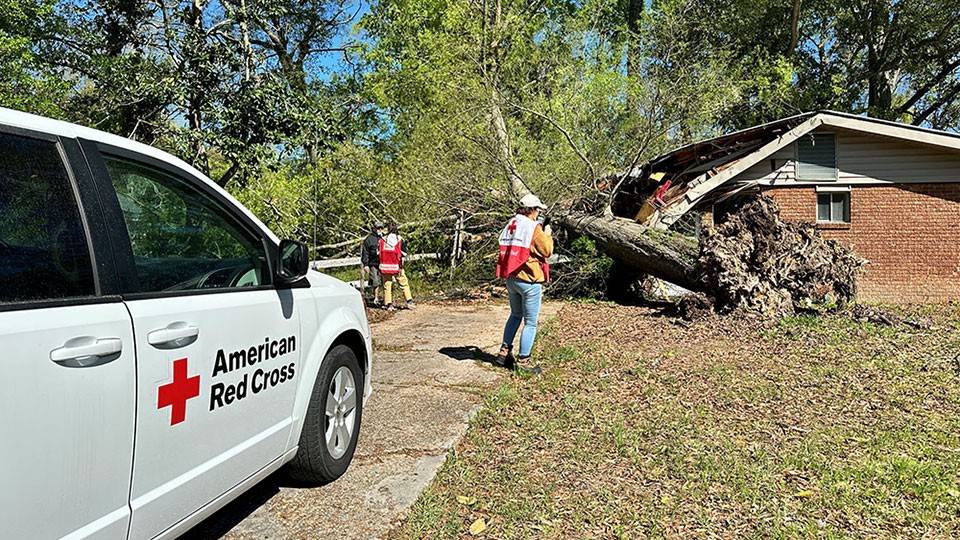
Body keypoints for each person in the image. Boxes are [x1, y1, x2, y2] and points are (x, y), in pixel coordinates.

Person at [495, 194, 553, 374]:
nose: (538, 214)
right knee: (531, 323)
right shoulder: (533, 227)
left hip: (512, 278)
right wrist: (547, 234)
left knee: (515, 315)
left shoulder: (512, 224)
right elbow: (547, 250)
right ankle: (524, 360)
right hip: (529, 280)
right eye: (538, 210)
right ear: (533, 210)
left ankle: (503, 353)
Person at [379, 222, 415, 311]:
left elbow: (378, 252)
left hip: (385, 266)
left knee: (387, 285)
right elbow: (404, 253)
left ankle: (389, 304)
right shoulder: (400, 239)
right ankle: (409, 301)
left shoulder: (382, 240)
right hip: (397, 266)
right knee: (404, 283)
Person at [360, 221, 386, 306]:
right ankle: (376, 298)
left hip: (383, 263)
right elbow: (365, 252)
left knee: (384, 281)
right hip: (373, 264)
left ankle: (385, 299)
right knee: (375, 281)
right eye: (378, 228)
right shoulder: (369, 239)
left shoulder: (384, 238)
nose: (380, 230)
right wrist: (366, 264)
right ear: (374, 228)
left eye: (381, 228)